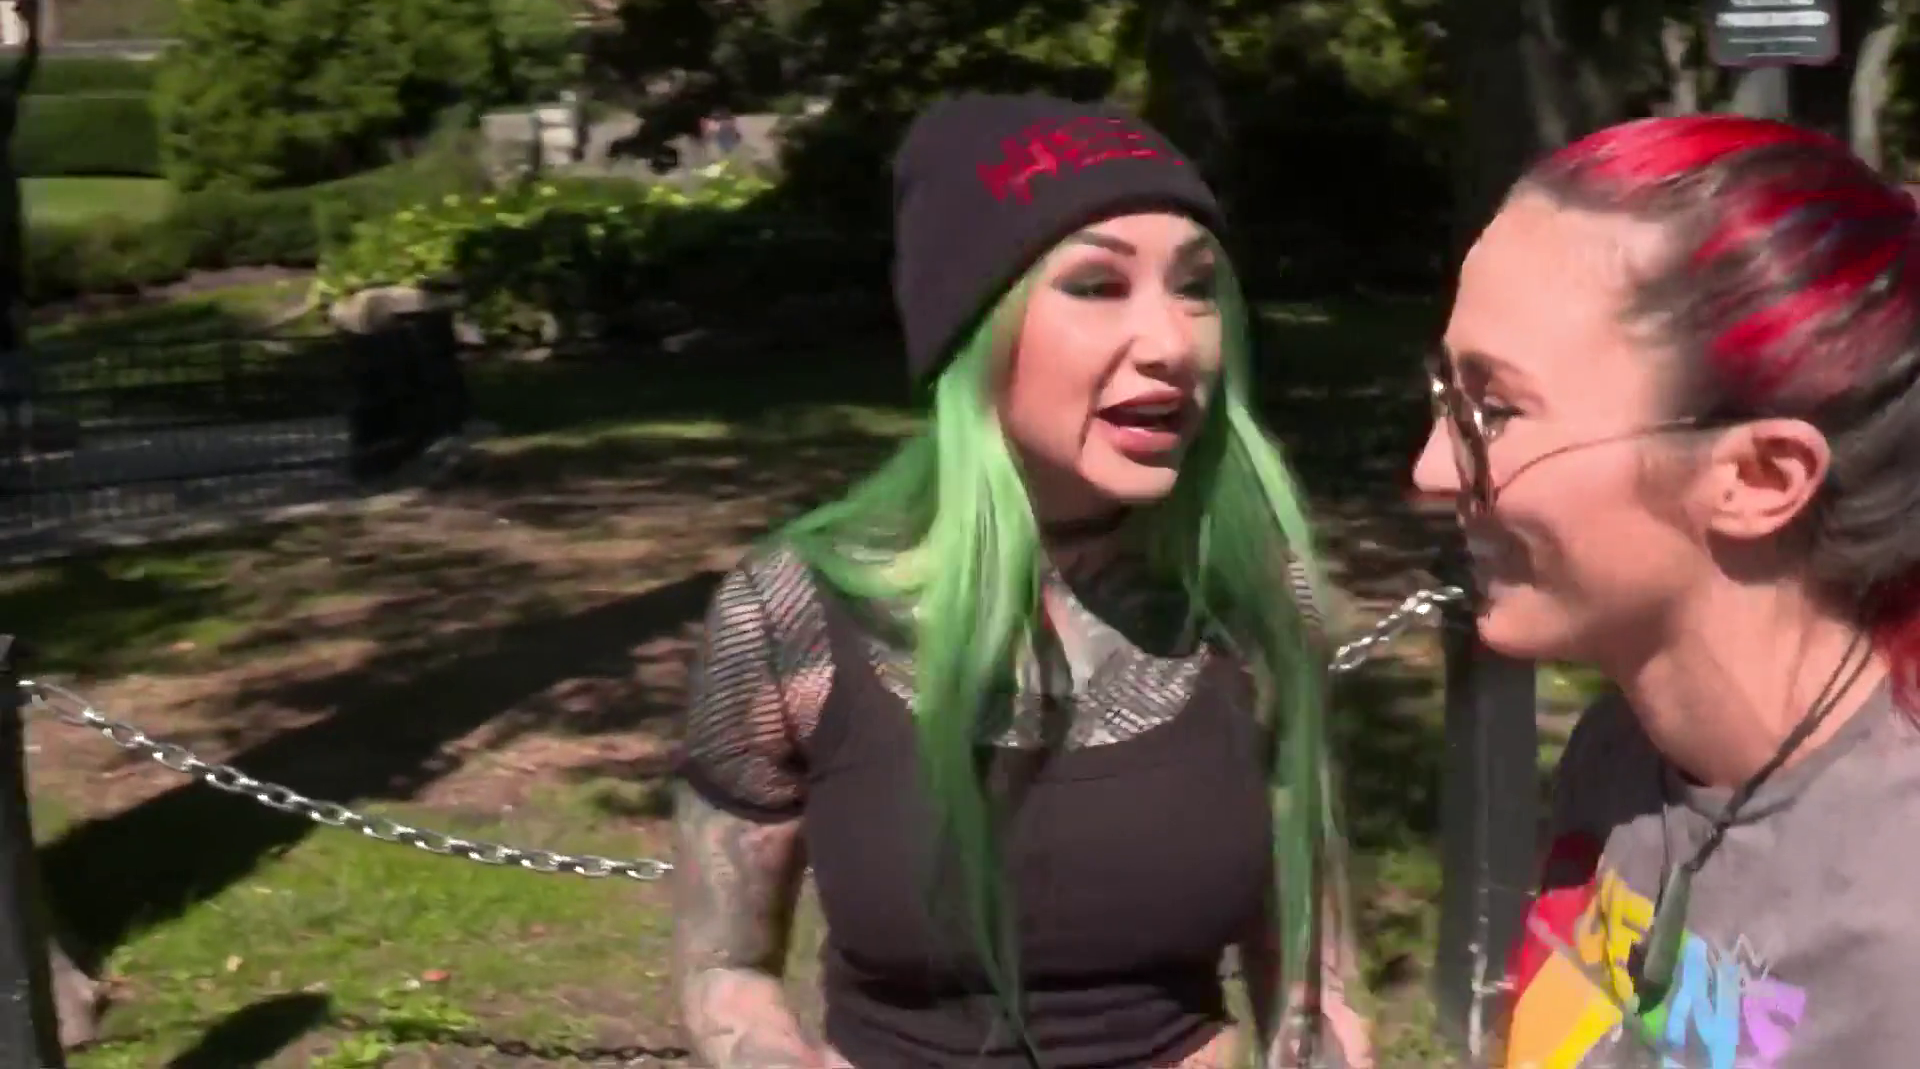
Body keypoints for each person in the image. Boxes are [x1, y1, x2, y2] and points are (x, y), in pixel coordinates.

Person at [670, 93, 1374, 1068]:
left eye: (1197, 287)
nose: (1174, 344)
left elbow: (1309, 975)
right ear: (972, 330)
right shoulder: (791, 615)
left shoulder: (1253, 603)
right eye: (1097, 285)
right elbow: (725, 969)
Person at [1414, 114, 1920, 1069]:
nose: (1433, 471)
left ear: (1758, 478)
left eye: (1496, 411)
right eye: (1449, 397)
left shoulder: (1898, 924)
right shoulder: (1623, 755)